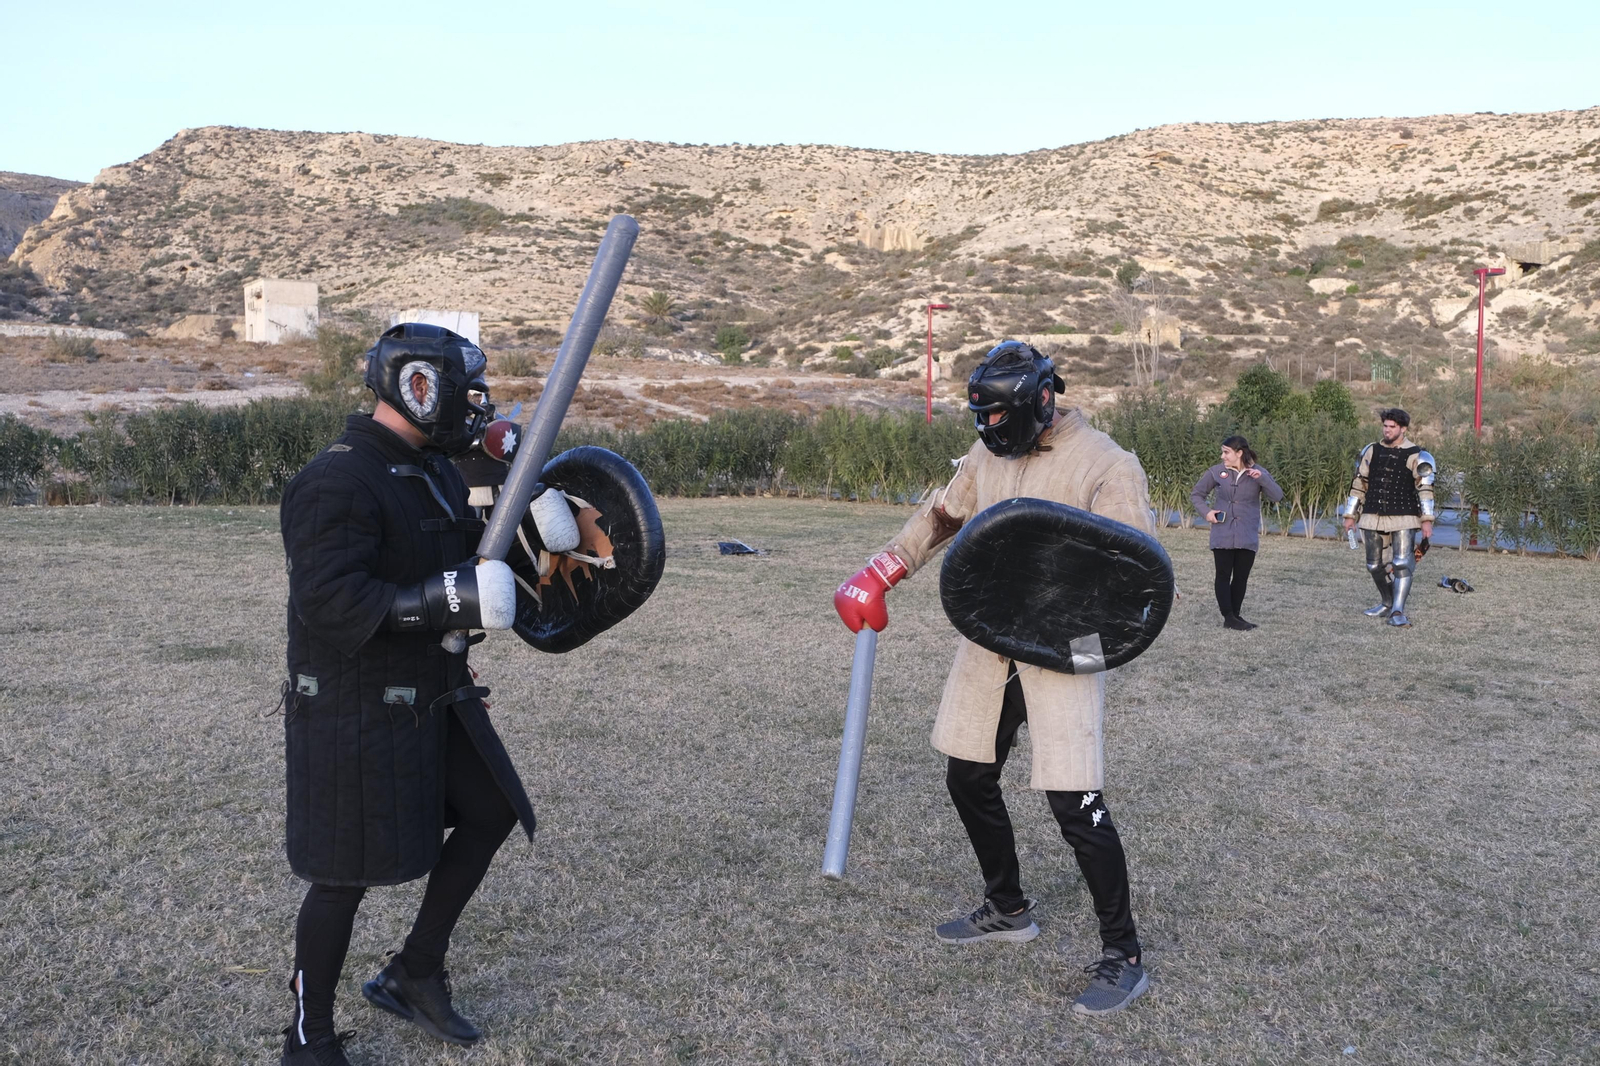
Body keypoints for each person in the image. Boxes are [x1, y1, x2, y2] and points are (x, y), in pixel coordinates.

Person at [833, 341, 1157, 1016]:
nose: (992, 436)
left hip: (1065, 644)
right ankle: (1008, 907)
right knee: (967, 771)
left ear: (1040, 401)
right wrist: (883, 569)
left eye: (1002, 421)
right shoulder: (988, 454)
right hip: (992, 637)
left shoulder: (1106, 463)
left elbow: (1132, 567)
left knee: (1076, 802)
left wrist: (1081, 631)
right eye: (985, 424)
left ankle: (1122, 953)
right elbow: (945, 515)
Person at [276, 323, 537, 1065]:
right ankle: (307, 1037)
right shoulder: (336, 478)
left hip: (432, 688)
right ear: (418, 386)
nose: (475, 404)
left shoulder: (436, 468)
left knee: (489, 811)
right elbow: (330, 602)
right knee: (343, 874)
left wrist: (540, 539)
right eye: (462, 388)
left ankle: (414, 971)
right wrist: (449, 600)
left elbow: (467, 563)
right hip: (353, 703)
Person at [1340, 408, 1436, 628]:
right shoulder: (1371, 450)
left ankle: (1398, 610)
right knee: (1374, 566)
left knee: (1402, 563)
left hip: (1404, 515)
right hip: (1372, 514)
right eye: (1385, 425)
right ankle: (1387, 602)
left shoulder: (1417, 454)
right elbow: (1359, 483)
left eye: (1392, 427)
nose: (1387, 430)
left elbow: (1425, 488)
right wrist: (1350, 515)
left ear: (1403, 428)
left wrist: (1427, 519)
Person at [1189, 435, 1283, 631]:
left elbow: (1277, 496)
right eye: (1222, 452)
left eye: (1226, 452)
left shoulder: (1258, 472)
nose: (1222, 456)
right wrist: (1207, 513)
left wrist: (1262, 479)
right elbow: (1196, 494)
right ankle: (1228, 616)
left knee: (1241, 576)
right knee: (1223, 574)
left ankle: (1236, 615)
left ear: (1239, 453)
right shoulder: (1216, 472)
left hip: (1246, 533)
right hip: (1222, 532)